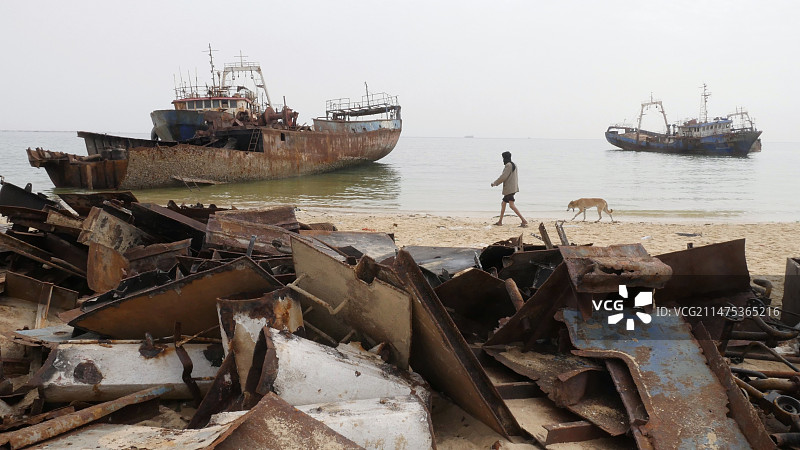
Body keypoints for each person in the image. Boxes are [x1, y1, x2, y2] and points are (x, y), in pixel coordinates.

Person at [490, 151, 528, 227]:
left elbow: (503, 176)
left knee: (511, 205)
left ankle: (524, 220)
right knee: (503, 204)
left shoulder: (508, 165)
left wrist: (495, 183)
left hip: (509, 189)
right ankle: (500, 221)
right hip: (512, 188)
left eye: (503, 158)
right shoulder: (514, 165)